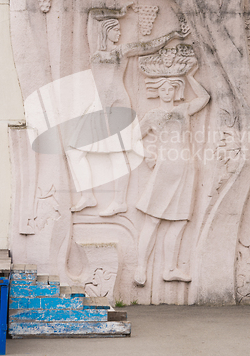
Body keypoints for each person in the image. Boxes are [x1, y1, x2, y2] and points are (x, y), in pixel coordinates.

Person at [68, 15, 188, 215]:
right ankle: (88, 196)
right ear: (106, 31)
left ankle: (119, 201)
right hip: (98, 106)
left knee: (117, 154)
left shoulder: (121, 51)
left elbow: (147, 46)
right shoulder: (96, 55)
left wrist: (172, 35)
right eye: (116, 30)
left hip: (117, 105)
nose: (120, 33)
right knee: (74, 152)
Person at [134, 66, 210, 285]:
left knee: (179, 221)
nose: (167, 92)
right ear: (158, 92)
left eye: (170, 89)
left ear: (175, 91)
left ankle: (169, 269)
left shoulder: (184, 109)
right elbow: (131, 139)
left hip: (186, 168)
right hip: (165, 167)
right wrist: (148, 154)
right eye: (163, 89)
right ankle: (140, 267)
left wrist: (189, 76)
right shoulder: (153, 115)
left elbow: (205, 97)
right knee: (153, 219)